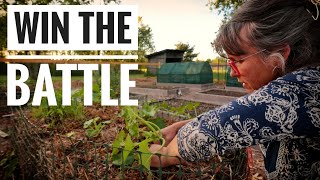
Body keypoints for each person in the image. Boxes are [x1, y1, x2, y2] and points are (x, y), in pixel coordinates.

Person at [149, 0, 320, 179]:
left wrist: (166, 154)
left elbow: (201, 137)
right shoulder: (302, 82)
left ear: (280, 52)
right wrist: (182, 125)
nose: (232, 72)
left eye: (239, 60)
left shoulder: (305, 89)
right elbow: (247, 114)